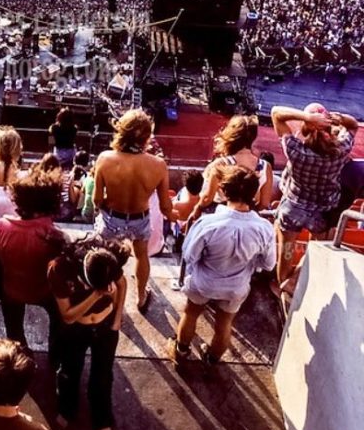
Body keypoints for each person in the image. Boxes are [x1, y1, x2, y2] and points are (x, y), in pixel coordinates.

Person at [168, 166, 276, 366]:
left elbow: (190, 255)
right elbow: (268, 264)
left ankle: (181, 351)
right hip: (236, 287)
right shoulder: (265, 228)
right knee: (224, 323)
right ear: (253, 193)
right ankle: (212, 359)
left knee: (190, 313)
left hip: (204, 282)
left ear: (224, 191)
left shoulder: (207, 223)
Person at [48, 234, 128, 430]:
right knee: (69, 371)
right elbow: (68, 316)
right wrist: (97, 294)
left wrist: (117, 319)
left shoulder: (106, 260)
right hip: (76, 328)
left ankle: (102, 417)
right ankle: (66, 409)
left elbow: (122, 283)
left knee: (103, 374)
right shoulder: (59, 268)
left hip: (105, 327)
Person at [271, 104, 357, 293]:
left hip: (293, 208)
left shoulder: (296, 151)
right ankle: (296, 279)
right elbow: (352, 125)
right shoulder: (340, 151)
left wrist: (307, 117)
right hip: (323, 211)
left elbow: (276, 113)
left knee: (286, 251)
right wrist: (338, 117)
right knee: (315, 249)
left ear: (305, 129)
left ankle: (282, 285)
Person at [0, 166, 66, 357]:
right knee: (59, 321)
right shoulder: (54, 235)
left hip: (11, 291)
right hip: (45, 292)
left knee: (14, 329)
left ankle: (21, 359)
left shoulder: (1, 227)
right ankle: (56, 357)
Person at [93, 109, 172, 311]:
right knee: (141, 255)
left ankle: (104, 293)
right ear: (146, 136)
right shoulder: (158, 165)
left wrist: (105, 206)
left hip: (112, 217)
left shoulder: (104, 158)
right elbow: (165, 206)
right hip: (140, 218)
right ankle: (141, 296)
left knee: (106, 255)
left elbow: (97, 199)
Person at [188, 115, 272, 223]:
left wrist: (197, 208)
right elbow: (264, 203)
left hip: (220, 216)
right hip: (248, 216)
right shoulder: (265, 166)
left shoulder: (221, 164)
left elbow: (207, 198)